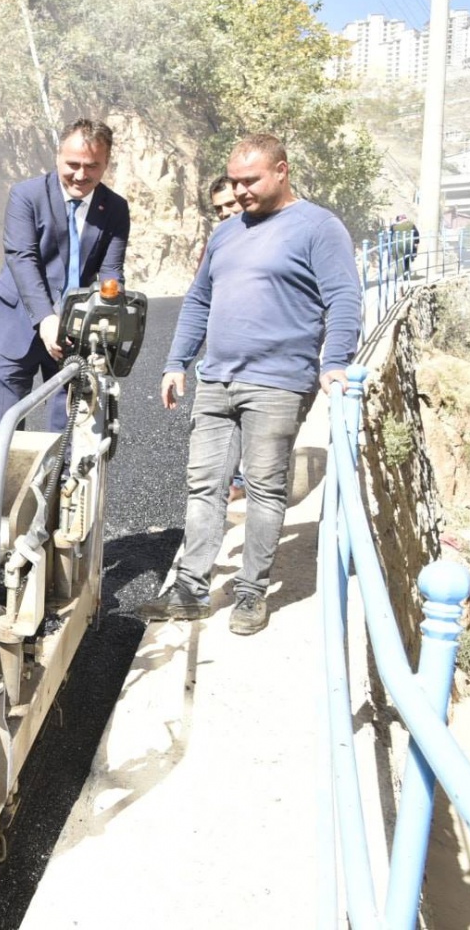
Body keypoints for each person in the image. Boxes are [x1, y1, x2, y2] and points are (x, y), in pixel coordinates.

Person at [141, 134, 361, 636]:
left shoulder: (318, 228)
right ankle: (191, 590)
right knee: (204, 487)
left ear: (281, 171)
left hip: (279, 383)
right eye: (234, 182)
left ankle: (250, 594)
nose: (238, 192)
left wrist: (335, 362)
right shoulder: (226, 233)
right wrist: (176, 361)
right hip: (217, 378)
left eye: (250, 181)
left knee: (264, 490)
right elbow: (199, 300)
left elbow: (344, 299)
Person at [0, 119, 130, 432]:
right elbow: (22, 257)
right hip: (17, 323)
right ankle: (3, 482)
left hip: (75, 330)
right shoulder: (27, 196)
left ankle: (56, 482)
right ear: (58, 156)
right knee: (5, 429)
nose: (81, 175)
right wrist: (45, 318)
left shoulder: (115, 208)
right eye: (73, 164)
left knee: (66, 430)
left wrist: (112, 311)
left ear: (106, 164)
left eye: (92, 166)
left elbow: (111, 271)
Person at [205, 176, 246, 502]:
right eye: (219, 208)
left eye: (230, 204)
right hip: (222, 351)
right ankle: (231, 482)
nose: (225, 213)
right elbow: (201, 295)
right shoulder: (217, 241)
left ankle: (240, 482)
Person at [390, 213, 419, 277]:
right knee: (407, 259)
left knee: (399, 260)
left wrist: (390, 246)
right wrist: (416, 243)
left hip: (397, 245)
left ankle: (400, 276)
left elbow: (390, 236)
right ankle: (406, 275)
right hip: (408, 245)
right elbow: (416, 234)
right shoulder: (411, 224)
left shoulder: (393, 226)